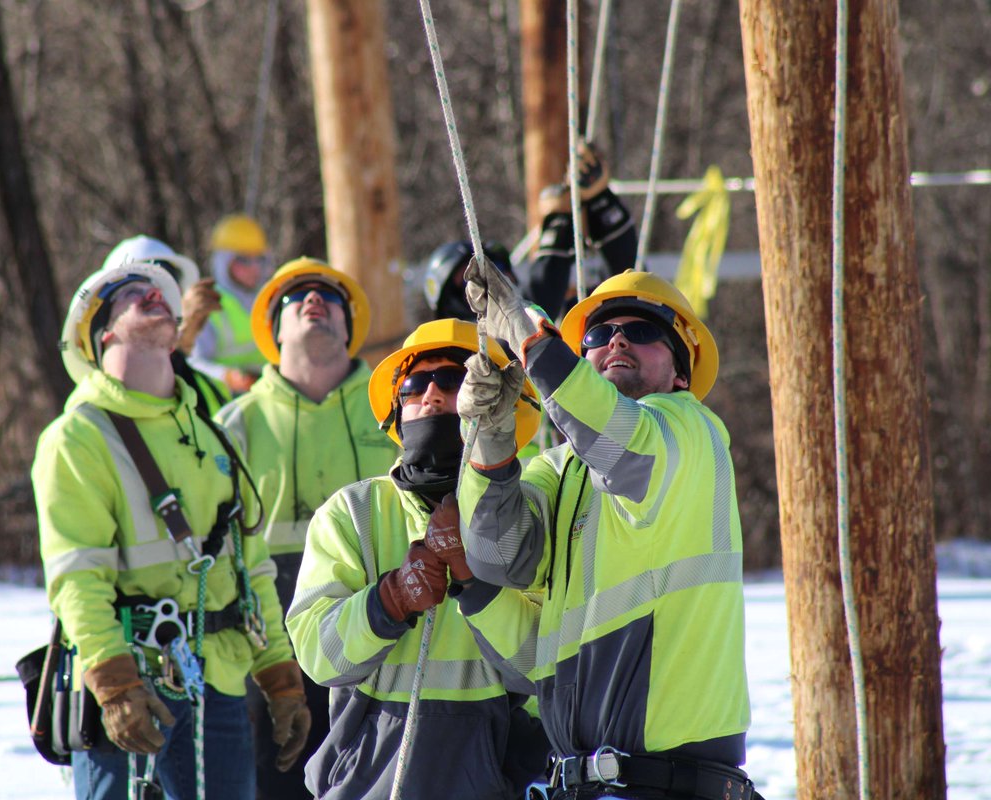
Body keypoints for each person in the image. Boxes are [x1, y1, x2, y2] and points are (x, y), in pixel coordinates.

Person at [453, 266, 757, 800]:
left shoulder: (688, 433)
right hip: (580, 782)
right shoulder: (563, 468)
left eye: (642, 331)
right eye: (597, 335)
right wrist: (492, 444)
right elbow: (499, 556)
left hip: (670, 782)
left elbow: (623, 439)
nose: (616, 339)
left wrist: (530, 338)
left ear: (681, 373)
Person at [36, 259, 310, 799]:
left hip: (220, 689)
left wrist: (280, 677)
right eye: (133, 294)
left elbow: (250, 568)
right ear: (102, 331)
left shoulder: (210, 436)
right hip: (133, 683)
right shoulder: (79, 437)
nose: (154, 294)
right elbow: (77, 578)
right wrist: (115, 688)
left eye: (160, 291)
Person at [285, 319, 551, 800]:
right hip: (369, 783)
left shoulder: (529, 513)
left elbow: (543, 665)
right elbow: (319, 657)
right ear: (395, 414)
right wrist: (389, 601)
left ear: (489, 404)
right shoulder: (354, 514)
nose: (431, 395)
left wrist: (473, 582)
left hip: (494, 782)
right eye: (413, 385)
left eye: (453, 381)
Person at [214, 257, 400, 798]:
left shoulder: (393, 409)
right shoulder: (236, 424)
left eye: (330, 296)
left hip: (382, 614)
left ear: (350, 325)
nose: (314, 301)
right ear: (274, 329)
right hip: (268, 634)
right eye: (295, 297)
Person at [421, 143, 637, 325]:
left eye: (494, 269)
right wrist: (558, 226)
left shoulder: (574, 310)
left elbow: (630, 289)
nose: (492, 284)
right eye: (472, 285)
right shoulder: (480, 363)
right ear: (456, 309)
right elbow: (531, 321)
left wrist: (602, 203)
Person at [101, 234, 232, 416]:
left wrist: (181, 346)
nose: (156, 294)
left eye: (169, 281)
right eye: (139, 286)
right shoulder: (102, 403)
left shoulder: (211, 388)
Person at [190, 214, 275, 395]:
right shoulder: (208, 303)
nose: (254, 267)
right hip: (224, 404)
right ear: (225, 262)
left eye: (259, 259)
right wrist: (227, 376)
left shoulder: (272, 300)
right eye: (243, 260)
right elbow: (193, 363)